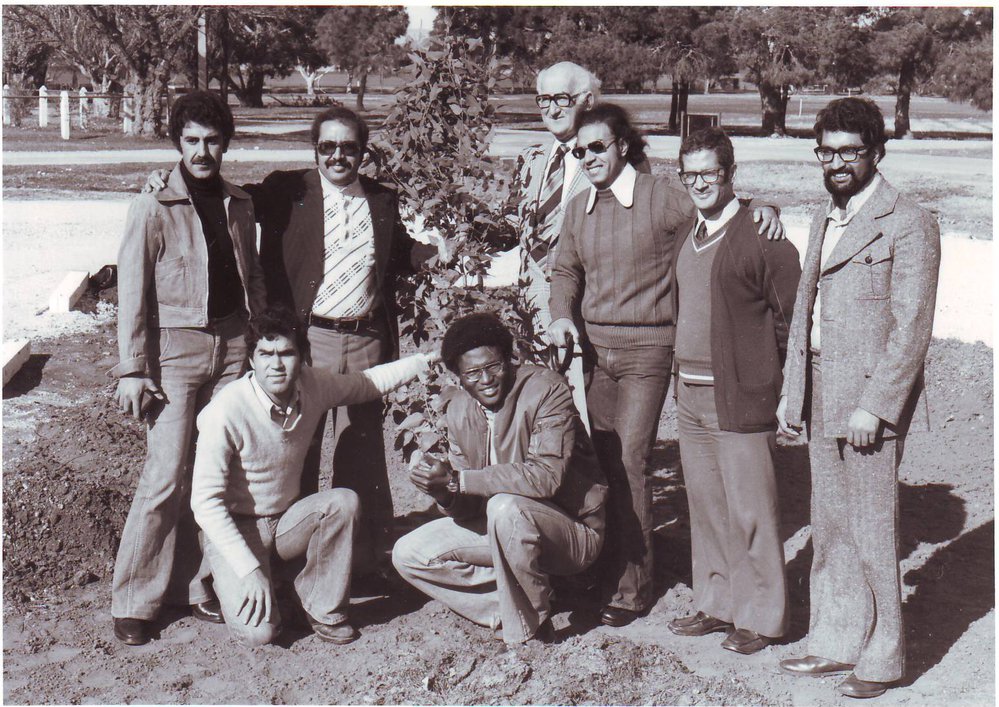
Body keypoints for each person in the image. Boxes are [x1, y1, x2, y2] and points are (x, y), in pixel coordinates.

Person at [148, 106, 429, 571]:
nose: (338, 156)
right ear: (314, 150)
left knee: (361, 450)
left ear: (363, 152)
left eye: (349, 148)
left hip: (366, 338)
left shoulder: (381, 200)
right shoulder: (288, 190)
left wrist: (433, 254)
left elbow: (396, 250)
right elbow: (225, 195)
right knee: (300, 446)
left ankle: (360, 561)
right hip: (308, 339)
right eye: (327, 146)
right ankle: (297, 558)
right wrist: (168, 179)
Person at [547, 103, 784, 628]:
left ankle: (632, 589)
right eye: (580, 151)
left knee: (630, 460)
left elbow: (719, 205)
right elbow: (565, 270)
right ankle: (603, 568)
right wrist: (561, 314)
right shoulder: (579, 206)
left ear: (622, 146)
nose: (588, 158)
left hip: (649, 352)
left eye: (598, 147)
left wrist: (764, 205)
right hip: (595, 353)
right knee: (600, 463)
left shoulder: (660, 195)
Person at [776, 97, 941, 699]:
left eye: (850, 152)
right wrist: (794, 390)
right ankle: (836, 639)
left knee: (872, 528)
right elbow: (807, 311)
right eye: (827, 152)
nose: (838, 163)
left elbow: (912, 329)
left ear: (877, 152)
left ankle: (885, 655)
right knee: (831, 522)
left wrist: (876, 406)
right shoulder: (824, 216)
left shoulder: (909, 221)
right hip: (823, 387)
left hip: (870, 401)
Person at [111, 90, 267, 646]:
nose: (202, 151)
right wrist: (134, 368)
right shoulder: (152, 205)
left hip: (233, 348)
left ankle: (193, 585)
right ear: (177, 143)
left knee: (215, 473)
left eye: (213, 140)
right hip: (174, 353)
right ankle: (134, 599)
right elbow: (132, 291)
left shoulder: (240, 203)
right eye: (191, 140)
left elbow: (252, 275)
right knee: (166, 474)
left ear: (226, 144)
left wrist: (256, 338)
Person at [190, 308, 434, 646]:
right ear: (251, 360)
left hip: (286, 521)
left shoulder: (313, 385)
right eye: (266, 354)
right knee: (259, 633)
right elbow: (205, 504)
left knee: (342, 502)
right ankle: (232, 575)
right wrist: (248, 570)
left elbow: (366, 383)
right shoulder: (225, 411)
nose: (276, 365)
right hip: (236, 526)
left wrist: (425, 361)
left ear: (302, 357)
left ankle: (322, 609)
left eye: (286, 353)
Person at [392, 312, 607, 646]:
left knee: (505, 508)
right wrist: (443, 492)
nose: (486, 379)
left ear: (510, 360)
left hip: (571, 533)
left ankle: (533, 628)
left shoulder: (546, 390)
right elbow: (468, 508)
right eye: (472, 373)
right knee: (409, 553)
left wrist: (459, 480)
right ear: (458, 377)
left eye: (493, 366)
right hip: (504, 528)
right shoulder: (459, 410)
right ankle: (509, 607)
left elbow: (546, 477)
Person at [666, 128, 800, 655]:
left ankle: (762, 618)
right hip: (691, 395)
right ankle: (717, 603)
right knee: (707, 507)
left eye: (709, 173)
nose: (699, 183)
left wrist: (786, 389)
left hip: (741, 395)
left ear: (730, 174)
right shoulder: (686, 232)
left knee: (751, 511)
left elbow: (792, 322)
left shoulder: (762, 237)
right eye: (689, 174)